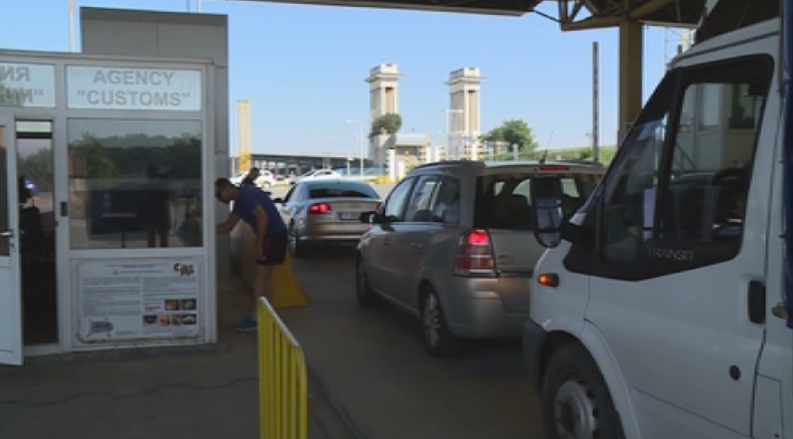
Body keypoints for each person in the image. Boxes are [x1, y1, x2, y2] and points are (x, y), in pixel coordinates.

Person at [215, 178, 287, 332]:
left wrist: (259, 244)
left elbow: (263, 218)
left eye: (218, 196)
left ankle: (257, 318)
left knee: (260, 275)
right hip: (275, 235)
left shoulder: (246, 196)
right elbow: (228, 226)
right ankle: (267, 314)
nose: (219, 200)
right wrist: (206, 232)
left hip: (272, 236)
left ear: (226, 189)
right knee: (265, 275)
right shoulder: (240, 201)